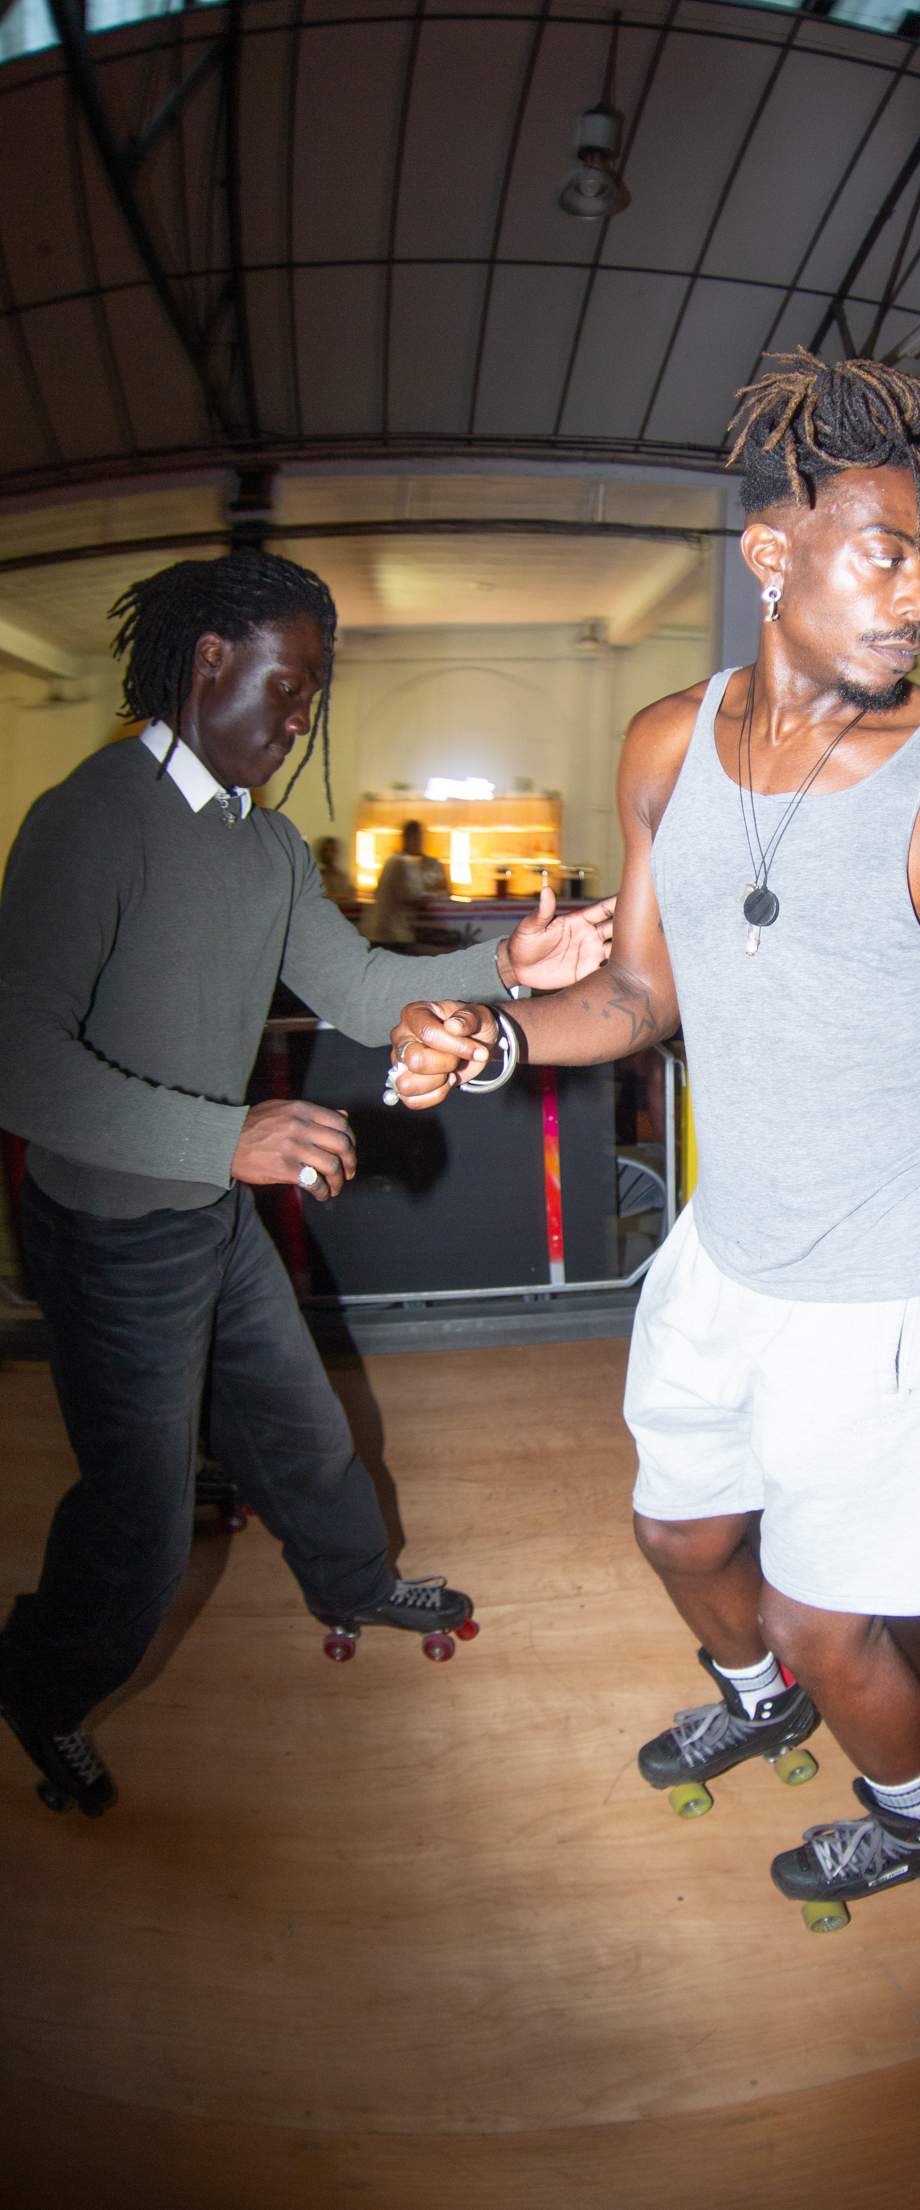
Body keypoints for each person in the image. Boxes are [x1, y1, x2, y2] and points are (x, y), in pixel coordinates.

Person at [388, 352, 920, 1926]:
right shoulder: (660, 749)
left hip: (897, 1274)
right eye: (888, 551)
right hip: (730, 1243)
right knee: (679, 1530)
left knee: (837, 1623)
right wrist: (491, 1037)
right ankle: (756, 1691)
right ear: (774, 555)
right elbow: (636, 994)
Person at [0, 553, 613, 1818]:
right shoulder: (89, 819)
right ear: (207, 660)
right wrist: (222, 1140)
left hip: (206, 1216)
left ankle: (348, 1582)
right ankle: (39, 1682)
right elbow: (20, 1065)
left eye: (314, 697)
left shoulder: (267, 846)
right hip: (111, 1231)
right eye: (288, 686)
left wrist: (515, 960)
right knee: (140, 1525)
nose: (299, 720)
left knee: (301, 1431)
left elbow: (361, 990)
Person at [363, 820, 449, 949]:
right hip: (393, 933)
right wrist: (435, 894)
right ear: (411, 838)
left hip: (380, 931)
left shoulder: (393, 861)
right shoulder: (403, 863)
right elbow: (413, 895)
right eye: (419, 839)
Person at [314, 833, 357, 907]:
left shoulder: (343, 878)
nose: (328, 854)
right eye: (325, 850)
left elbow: (350, 896)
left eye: (332, 850)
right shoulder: (314, 877)